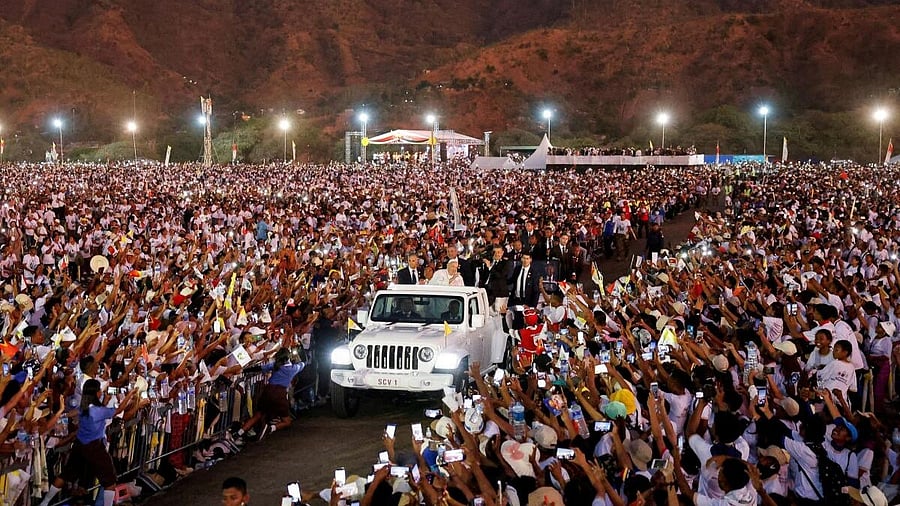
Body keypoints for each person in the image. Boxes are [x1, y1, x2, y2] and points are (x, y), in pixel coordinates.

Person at [39, 379, 141, 506]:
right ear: (96, 393)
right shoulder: (96, 411)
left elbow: (76, 413)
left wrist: (62, 413)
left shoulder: (85, 407)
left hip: (79, 445)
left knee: (66, 474)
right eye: (99, 390)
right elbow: (119, 410)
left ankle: (45, 502)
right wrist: (130, 395)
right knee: (109, 480)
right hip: (95, 448)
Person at [235, 348, 304, 440]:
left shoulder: (276, 365)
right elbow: (302, 364)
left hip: (268, 391)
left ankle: (239, 433)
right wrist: (297, 359)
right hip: (280, 394)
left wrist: (243, 370)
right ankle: (271, 428)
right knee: (287, 421)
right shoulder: (293, 368)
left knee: (258, 414)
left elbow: (259, 368)